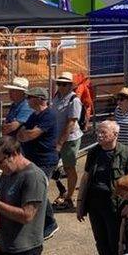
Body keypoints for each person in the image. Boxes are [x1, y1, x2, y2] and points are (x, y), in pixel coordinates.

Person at [76, 120, 128, 255]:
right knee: (101, 241)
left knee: (116, 243)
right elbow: (86, 178)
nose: (99, 135)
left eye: (103, 132)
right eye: (99, 132)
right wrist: (80, 203)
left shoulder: (127, 153)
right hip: (95, 204)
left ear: (115, 135)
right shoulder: (94, 152)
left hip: (116, 206)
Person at [16, 87, 59, 238]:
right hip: (33, 159)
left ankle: (50, 222)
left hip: (45, 161)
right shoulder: (34, 115)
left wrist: (25, 134)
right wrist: (24, 134)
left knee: (40, 191)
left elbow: (30, 134)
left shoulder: (48, 115)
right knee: (33, 189)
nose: (27, 100)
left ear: (40, 99)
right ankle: (38, 221)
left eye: (30, 97)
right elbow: (22, 132)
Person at [52, 72, 83, 213]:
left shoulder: (74, 100)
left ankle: (70, 197)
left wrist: (60, 143)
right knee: (53, 167)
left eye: (64, 84)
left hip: (69, 139)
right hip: (57, 137)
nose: (61, 86)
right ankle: (63, 190)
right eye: (59, 83)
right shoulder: (56, 97)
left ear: (70, 86)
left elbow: (71, 123)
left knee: (69, 167)